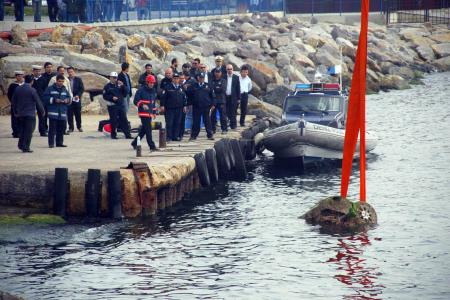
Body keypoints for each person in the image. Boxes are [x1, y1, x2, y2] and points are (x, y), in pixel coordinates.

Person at [11, 76, 45, 153]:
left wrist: (15, 112)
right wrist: (42, 111)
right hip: (30, 114)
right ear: (32, 81)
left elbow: (13, 101)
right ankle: (26, 147)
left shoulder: (18, 89)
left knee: (22, 130)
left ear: (24, 80)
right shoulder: (32, 90)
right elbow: (38, 101)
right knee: (29, 131)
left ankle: (21, 144)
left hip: (20, 114)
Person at [43, 74, 71, 148]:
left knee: (61, 129)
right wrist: (54, 100)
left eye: (62, 81)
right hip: (53, 113)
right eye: (59, 81)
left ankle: (59, 143)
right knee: (52, 129)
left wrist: (67, 100)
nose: (61, 83)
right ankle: (51, 143)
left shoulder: (65, 89)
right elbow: (45, 98)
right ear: (56, 81)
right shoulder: (50, 88)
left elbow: (69, 97)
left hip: (62, 113)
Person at [102, 72, 132, 140]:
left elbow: (126, 92)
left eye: (116, 78)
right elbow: (105, 96)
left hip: (120, 105)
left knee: (124, 120)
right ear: (110, 78)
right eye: (113, 77)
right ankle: (113, 135)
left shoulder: (119, 85)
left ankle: (127, 134)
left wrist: (123, 86)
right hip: (112, 106)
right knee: (113, 121)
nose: (115, 79)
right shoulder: (107, 86)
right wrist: (112, 98)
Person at [131, 74, 157, 151]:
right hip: (143, 113)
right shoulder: (141, 90)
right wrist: (142, 105)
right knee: (148, 130)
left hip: (150, 114)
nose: (152, 84)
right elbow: (136, 101)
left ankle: (135, 143)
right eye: (150, 83)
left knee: (144, 130)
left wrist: (154, 112)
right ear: (147, 82)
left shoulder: (153, 91)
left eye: (153, 83)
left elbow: (153, 103)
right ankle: (152, 146)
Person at [160, 73, 186, 142]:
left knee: (177, 123)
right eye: (174, 78)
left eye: (177, 78)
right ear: (172, 79)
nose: (176, 80)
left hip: (179, 108)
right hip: (170, 108)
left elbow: (184, 98)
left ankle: (175, 136)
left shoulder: (181, 88)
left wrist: (184, 105)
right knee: (169, 123)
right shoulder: (167, 87)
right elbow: (163, 97)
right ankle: (169, 137)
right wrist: (162, 105)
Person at [188, 72, 214, 141]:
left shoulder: (208, 86)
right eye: (200, 77)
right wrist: (189, 104)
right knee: (196, 121)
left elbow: (212, 96)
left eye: (202, 78)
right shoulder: (193, 85)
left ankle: (210, 135)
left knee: (207, 121)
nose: (201, 79)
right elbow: (189, 95)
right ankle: (193, 135)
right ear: (198, 78)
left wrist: (213, 104)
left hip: (206, 106)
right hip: (196, 106)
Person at [7, 71, 25, 138]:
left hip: (23, 105)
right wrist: (13, 102)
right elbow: (9, 95)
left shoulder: (25, 85)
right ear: (16, 77)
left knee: (22, 118)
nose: (20, 77)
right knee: (14, 119)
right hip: (15, 104)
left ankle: (21, 131)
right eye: (18, 76)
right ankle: (15, 132)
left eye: (21, 76)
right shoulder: (12, 85)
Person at [67, 67, 85, 132]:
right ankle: (71, 128)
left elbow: (82, 89)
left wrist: (78, 95)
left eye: (71, 72)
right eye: (69, 72)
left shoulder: (78, 79)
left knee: (78, 114)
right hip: (69, 99)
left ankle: (79, 127)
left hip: (76, 99)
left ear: (74, 72)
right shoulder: (66, 79)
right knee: (69, 114)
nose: (70, 73)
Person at [210, 69, 228, 134]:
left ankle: (224, 129)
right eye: (216, 72)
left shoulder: (223, 81)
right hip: (213, 101)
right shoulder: (211, 81)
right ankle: (213, 129)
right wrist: (217, 88)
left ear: (221, 73)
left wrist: (215, 89)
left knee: (223, 116)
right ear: (214, 73)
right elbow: (211, 89)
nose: (217, 73)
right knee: (213, 116)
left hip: (221, 100)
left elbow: (223, 89)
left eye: (218, 72)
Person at [224, 64, 241, 130]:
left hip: (233, 97)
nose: (229, 70)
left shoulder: (236, 77)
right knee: (227, 112)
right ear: (226, 70)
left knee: (233, 112)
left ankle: (233, 126)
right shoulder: (223, 77)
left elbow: (238, 88)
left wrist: (239, 98)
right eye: (228, 69)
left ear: (232, 69)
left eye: (231, 69)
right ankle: (228, 123)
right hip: (225, 97)